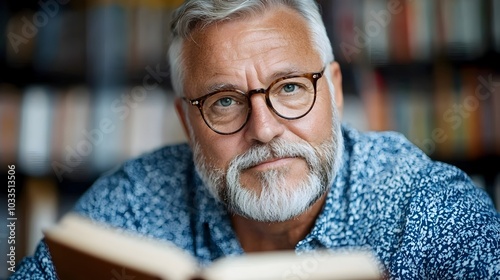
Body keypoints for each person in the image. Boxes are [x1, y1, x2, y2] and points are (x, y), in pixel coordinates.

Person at [11, 0, 500, 279]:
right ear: (186, 122)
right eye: (225, 101)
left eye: (290, 89)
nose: (263, 130)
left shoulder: (430, 212)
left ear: (333, 89)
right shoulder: (134, 201)